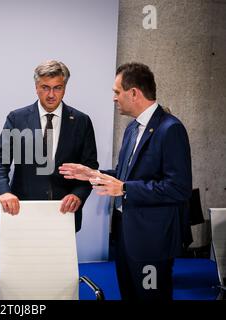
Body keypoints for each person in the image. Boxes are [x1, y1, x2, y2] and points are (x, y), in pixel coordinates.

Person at [59, 62, 192, 300]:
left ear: (134, 93)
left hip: (153, 242)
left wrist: (125, 189)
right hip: (126, 237)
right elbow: (123, 174)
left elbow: (178, 188)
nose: (114, 98)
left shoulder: (170, 129)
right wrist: (92, 174)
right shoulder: (132, 128)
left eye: (116, 92)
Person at [0, 60, 98, 231]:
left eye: (57, 87)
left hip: (65, 213)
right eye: (45, 87)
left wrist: (78, 195)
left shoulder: (82, 122)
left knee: (59, 259)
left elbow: (90, 168)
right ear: (36, 87)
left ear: (65, 88)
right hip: (22, 211)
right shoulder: (16, 119)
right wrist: (4, 192)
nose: (51, 94)